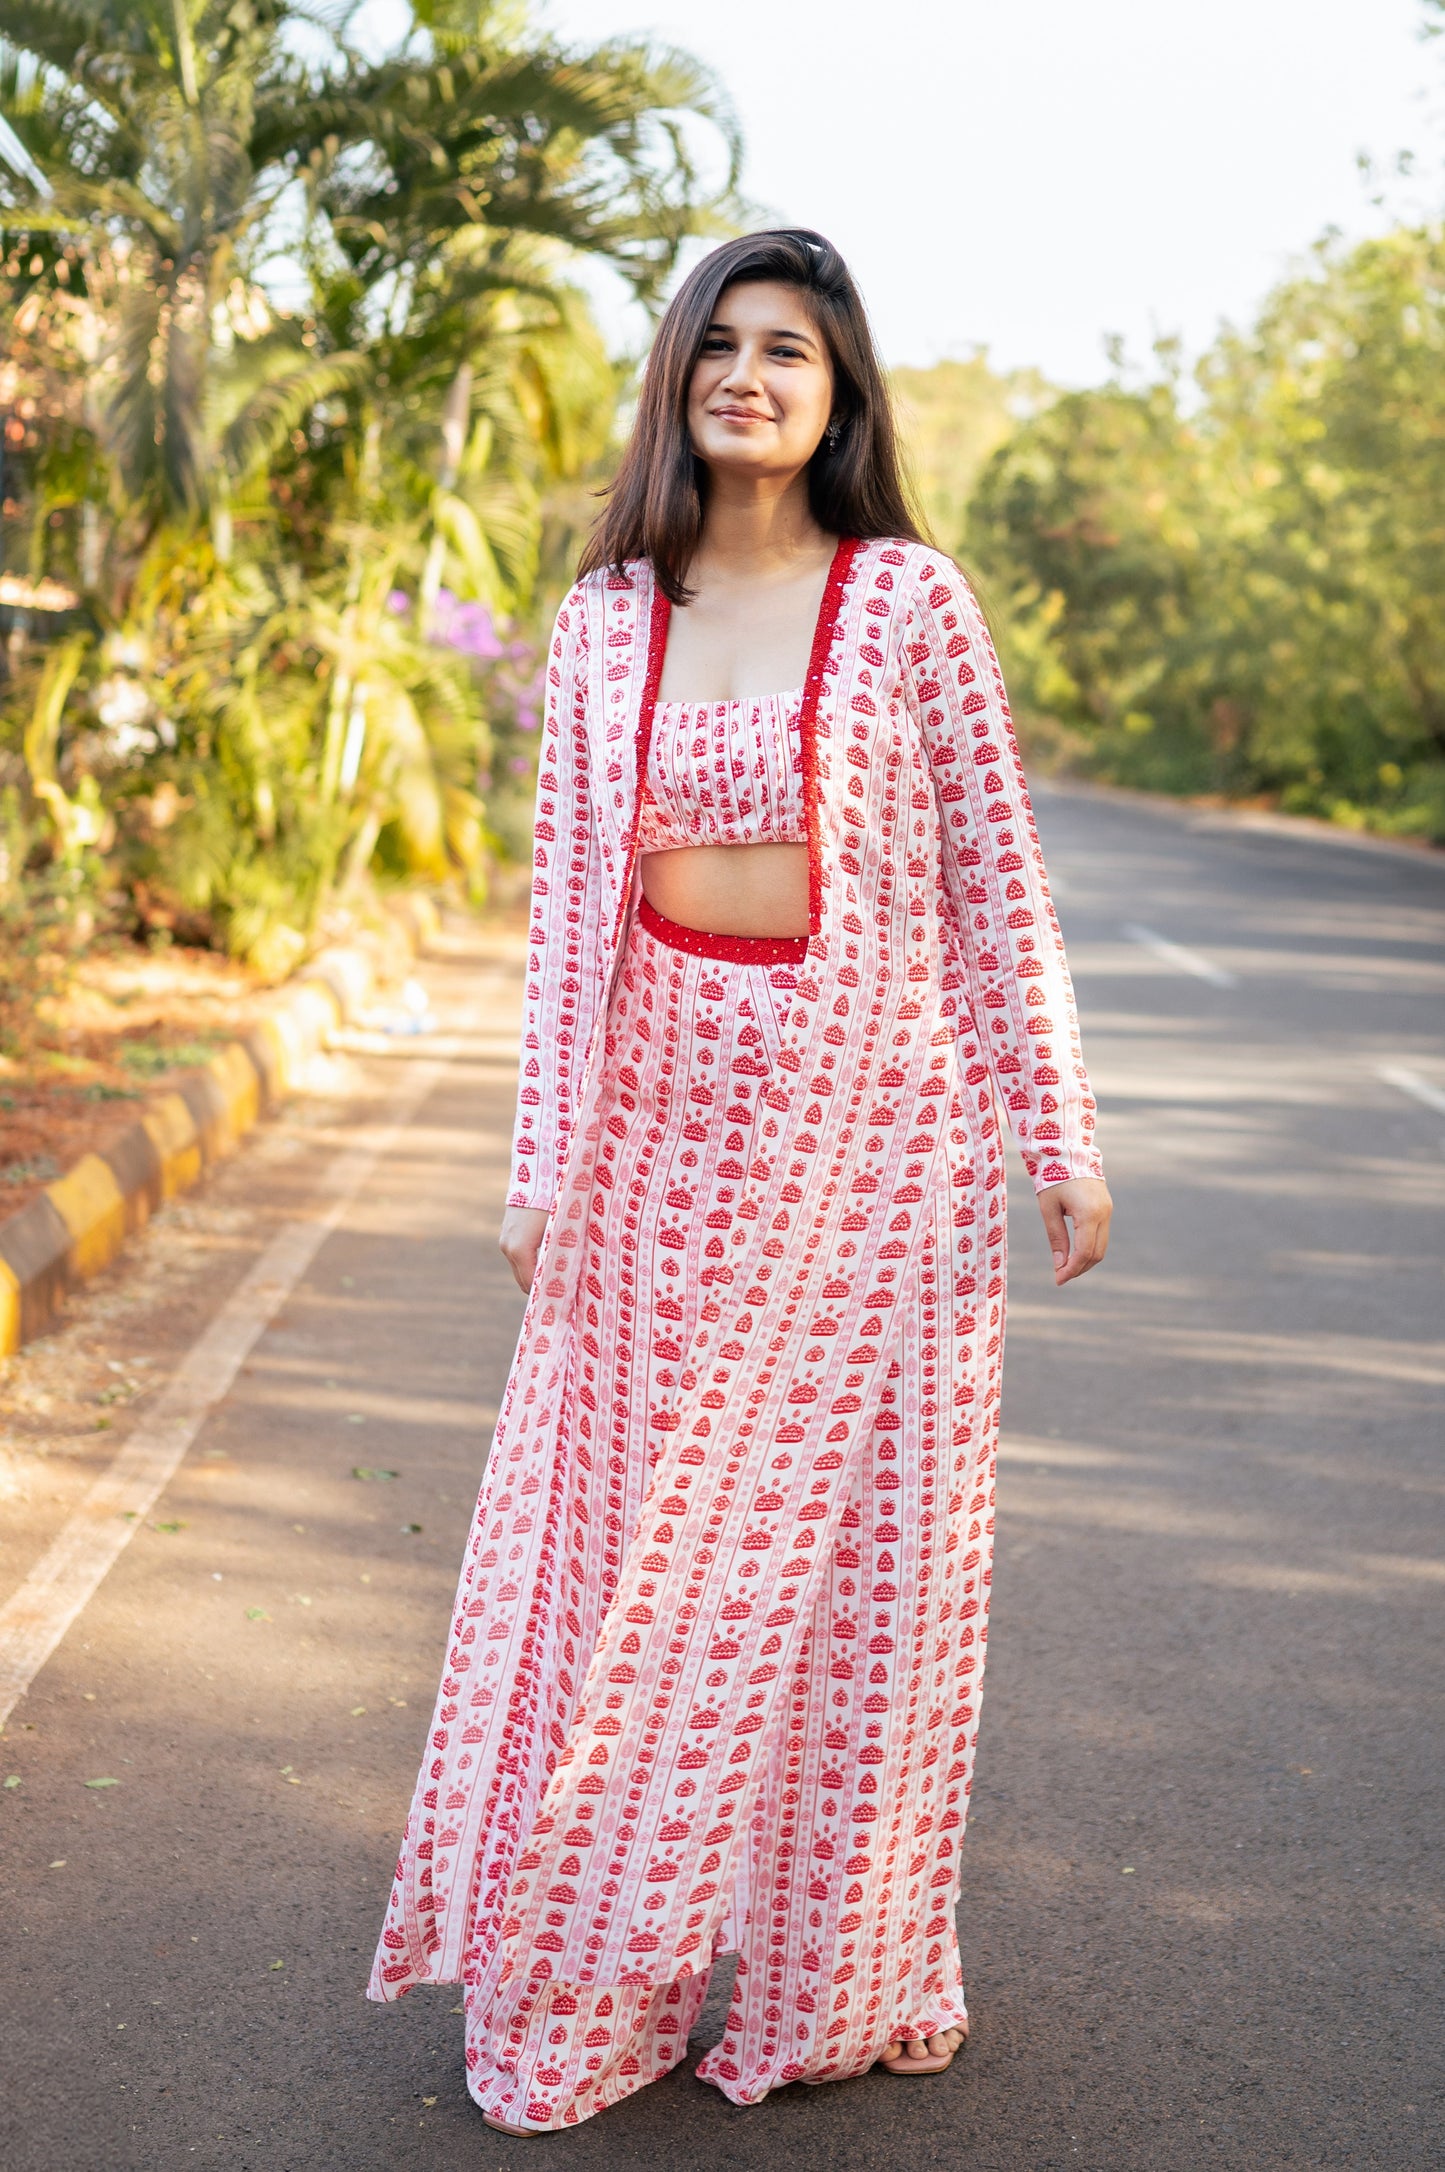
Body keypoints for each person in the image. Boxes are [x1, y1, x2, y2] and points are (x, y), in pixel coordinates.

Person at [369, 228, 1111, 2133]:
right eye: (722, 343)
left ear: (842, 392)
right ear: (679, 380)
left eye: (793, 349)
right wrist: (542, 1168)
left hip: (877, 1155)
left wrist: (1056, 1133)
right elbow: (562, 934)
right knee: (626, 1578)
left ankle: (833, 1979)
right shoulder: (609, 614)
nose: (752, 375)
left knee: (857, 1581)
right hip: (658, 1160)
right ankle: (591, 1978)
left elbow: (992, 891)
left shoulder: (910, 605)